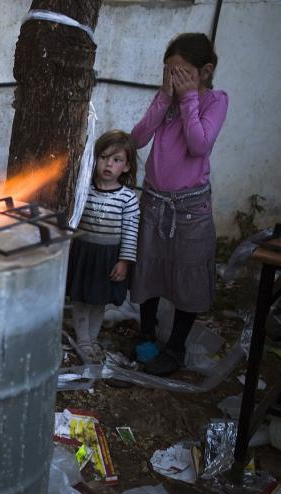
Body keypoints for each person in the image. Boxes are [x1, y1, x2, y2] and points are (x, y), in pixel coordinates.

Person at [130, 33, 228, 376]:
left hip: (189, 208)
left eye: (182, 72)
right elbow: (138, 138)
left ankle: (175, 349)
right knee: (150, 268)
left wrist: (188, 99)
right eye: (169, 71)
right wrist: (164, 96)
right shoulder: (166, 99)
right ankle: (146, 335)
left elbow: (199, 145)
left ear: (205, 71)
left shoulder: (215, 101)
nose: (174, 78)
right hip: (155, 201)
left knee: (187, 274)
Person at [66, 130, 140, 362]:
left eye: (117, 160)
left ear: (126, 167)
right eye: (104, 157)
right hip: (83, 253)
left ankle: (92, 338)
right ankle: (82, 340)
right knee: (80, 298)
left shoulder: (128, 198)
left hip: (108, 257)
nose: (109, 164)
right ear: (94, 159)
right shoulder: (82, 189)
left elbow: (130, 232)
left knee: (98, 300)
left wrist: (124, 262)